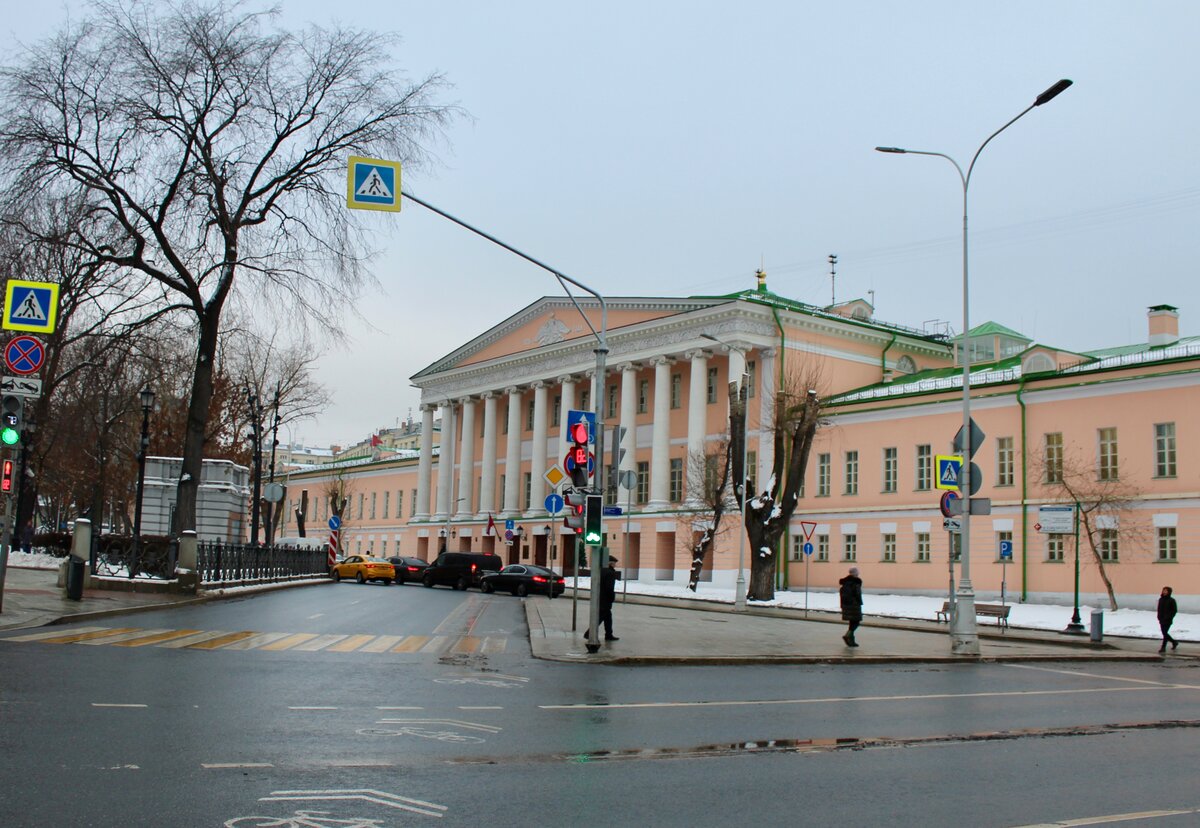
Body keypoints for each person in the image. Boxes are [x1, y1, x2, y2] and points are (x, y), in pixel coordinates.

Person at [587, 554, 621, 642]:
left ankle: (609, 634)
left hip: (599, 597)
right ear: (610, 564)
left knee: (608, 617)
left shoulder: (600, 570)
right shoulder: (610, 573)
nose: (615, 565)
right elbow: (609, 588)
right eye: (614, 563)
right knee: (601, 617)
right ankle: (589, 633)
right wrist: (611, 597)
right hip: (605, 599)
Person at [839, 566, 863, 647]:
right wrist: (859, 602)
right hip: (854, 605)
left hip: (846, 605)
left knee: (852, 622)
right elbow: (858, 594)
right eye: (857, 572)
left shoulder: (845, 582)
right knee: (856, 621)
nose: (858, 573)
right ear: (855, 573)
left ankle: (851, 641)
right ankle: (847, 636)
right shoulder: (856, 582)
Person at [1157, 586, 1179, 653]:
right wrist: (1159, 616)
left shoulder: (1172, 600)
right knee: (1164, 633)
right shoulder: (1161, 599)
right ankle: (1174, 642)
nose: (1164, 592)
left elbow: (1174, 610)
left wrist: (1169, 617)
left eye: (1166, 591)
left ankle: (1163, 647)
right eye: (1163, 590)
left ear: (1169, 592)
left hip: (1168, 620)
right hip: (1161, 619)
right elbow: (1159, 609)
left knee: (1165, 633)